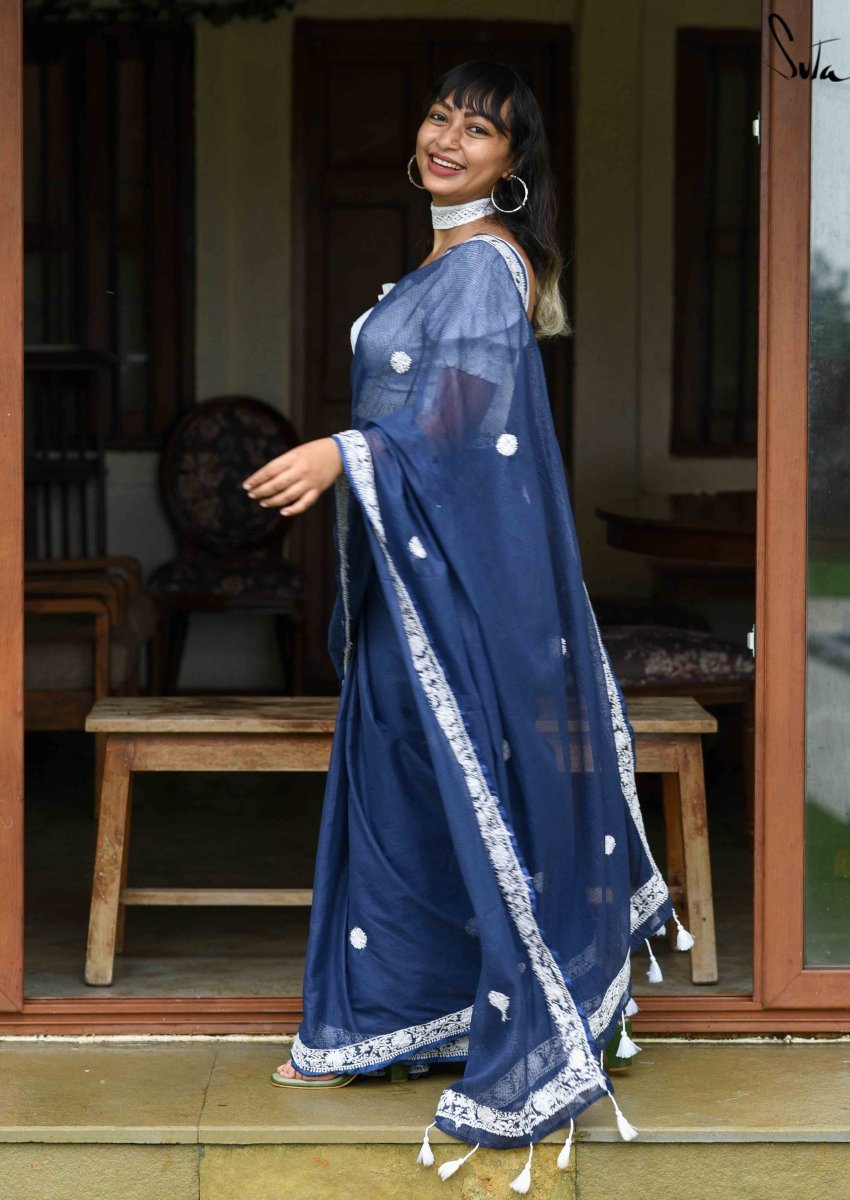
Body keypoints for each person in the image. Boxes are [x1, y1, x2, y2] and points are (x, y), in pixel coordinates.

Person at [243, 60, 689, 1182]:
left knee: (449, 778)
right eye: (440, 115)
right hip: (413, 578)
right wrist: (358, 458)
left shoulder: (489, 267)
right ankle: (395, 1016)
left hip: (454, 584)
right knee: (403, 781)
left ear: (513, 161)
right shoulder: (449, 261)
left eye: (479, 130)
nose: (448, 137)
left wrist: (341, 453)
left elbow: (459, 421)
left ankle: (521, 1008)